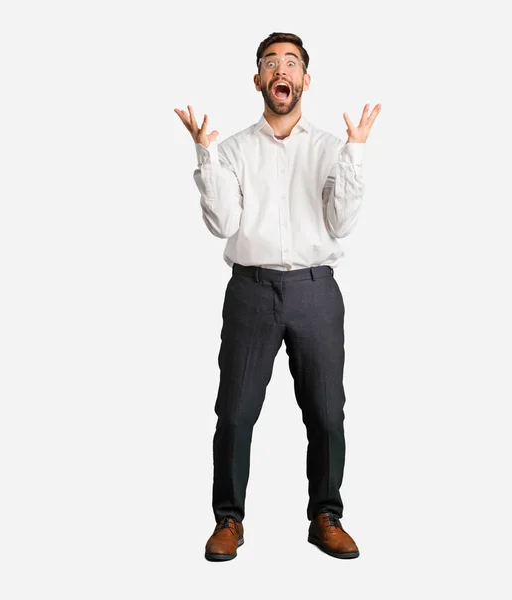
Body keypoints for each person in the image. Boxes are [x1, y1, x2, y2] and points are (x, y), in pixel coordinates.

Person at [174, 31, 381, 561]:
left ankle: (326, 516)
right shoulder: (236, 149)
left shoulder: (332, 149)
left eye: (291, 63)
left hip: (316, 291)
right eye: (270, 63)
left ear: (305, 80)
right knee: (236, 413)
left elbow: (342, 222)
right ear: (259, 80)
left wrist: (356, 153)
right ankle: (228, 521)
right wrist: (205, 156)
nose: (280, 70)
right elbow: (222, 223)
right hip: (251, 290)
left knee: (327, 413)